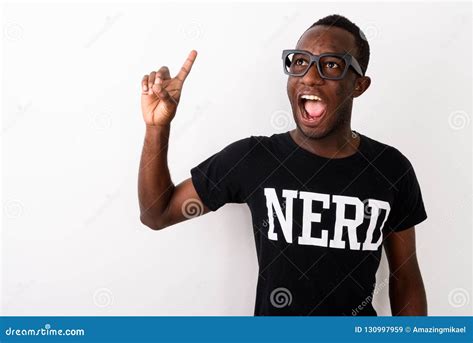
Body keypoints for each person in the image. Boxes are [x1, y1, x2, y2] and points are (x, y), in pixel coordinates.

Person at [138, 14, 428, 316]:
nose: (310, 77)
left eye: (331, 64)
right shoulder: (254, 158)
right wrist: (157, 127)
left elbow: (405, 277)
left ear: (359, 85)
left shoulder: (391, 169)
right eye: (299, 61)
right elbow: (157, 213)